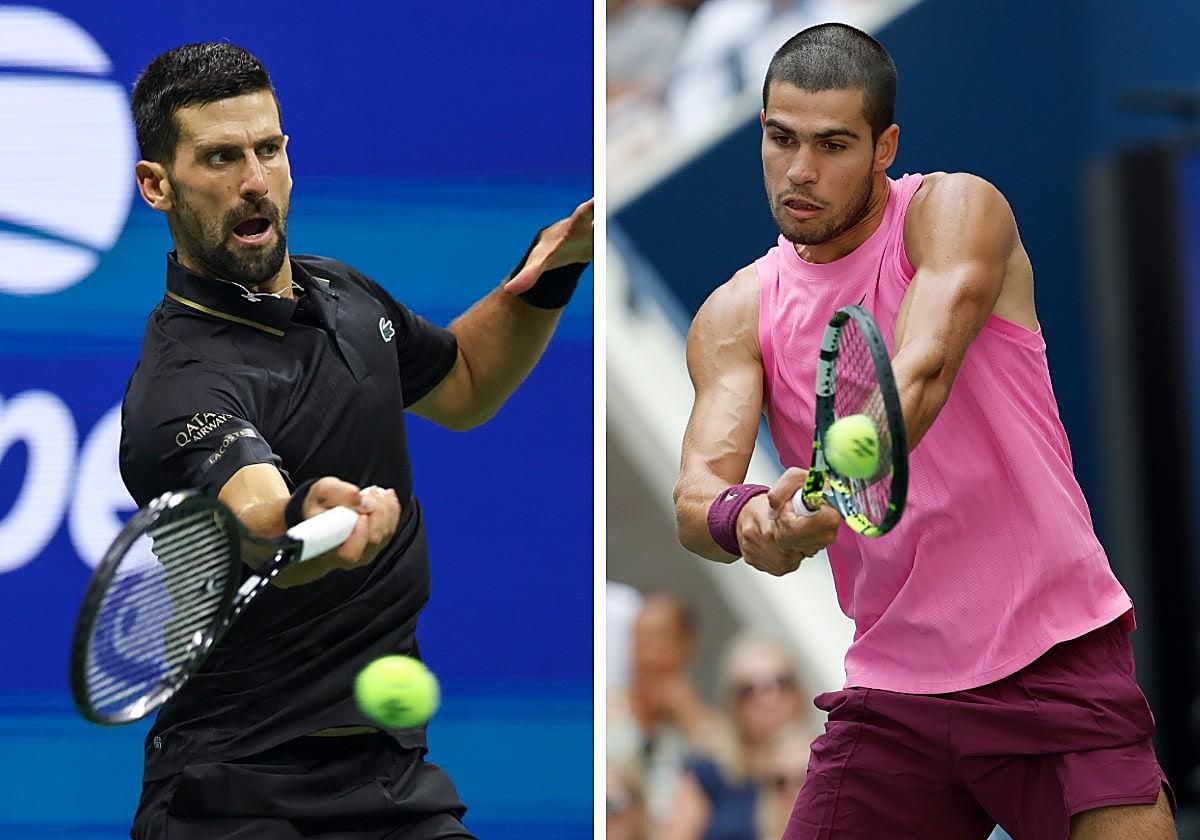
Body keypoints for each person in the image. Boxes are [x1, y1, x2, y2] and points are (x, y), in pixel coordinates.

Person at [672, 21, 1176, 840]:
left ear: (885, 145)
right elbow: (697, 497)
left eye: (834, 144)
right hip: (894, 694)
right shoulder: (735, 313)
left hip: (1053, 658)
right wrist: (755, 519)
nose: (800, 171)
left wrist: (837, 476)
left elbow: (923, 365)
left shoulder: (955, 210)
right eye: (780, 138)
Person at [117, 42, 592, 839]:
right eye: (221, 157)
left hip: (389, 777)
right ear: (157, 185)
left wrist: (552, 269)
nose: (254, 180)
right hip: (230, 792)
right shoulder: (180, 385)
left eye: (269, 149)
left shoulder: (344, 294)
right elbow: (254, 516)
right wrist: (314, 516)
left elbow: (468, 380)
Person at [663, 633, 814, 840]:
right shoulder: (709, 768)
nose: (768, 699)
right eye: (749, 690)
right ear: (732, 702)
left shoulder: (826, 764)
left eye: (780, 682)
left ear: (798, 691)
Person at [608, 592, 721, 838]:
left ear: (688, 645)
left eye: (660, 638)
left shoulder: (707, 725)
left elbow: (730, 774)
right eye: (639, 638)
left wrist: (687, 713)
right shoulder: (606, 712)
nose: (647, 654)